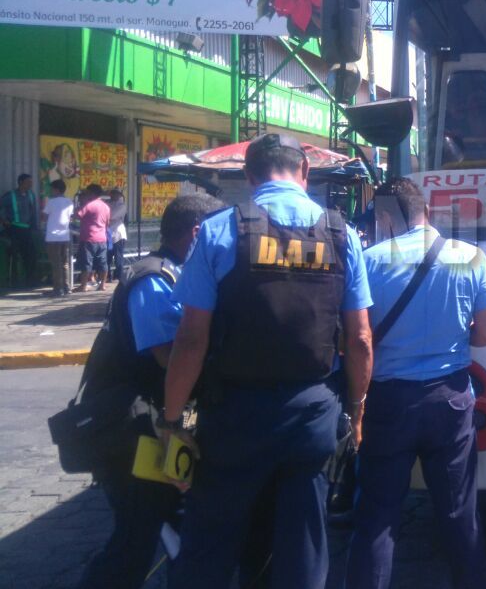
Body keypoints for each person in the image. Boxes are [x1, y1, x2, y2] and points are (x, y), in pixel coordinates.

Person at [160, 133, 373, 589]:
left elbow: (192, 339)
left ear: (249, 176)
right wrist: (357, 411)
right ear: (305, 172)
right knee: (303, 547)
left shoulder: (220, 230)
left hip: (236, 417)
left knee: (210, 544)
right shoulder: (342, 234)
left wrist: (172, 420)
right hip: (312, 414)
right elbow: (359, 339)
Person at [345, 177, 486, 589]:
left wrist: (356, 404)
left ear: (384, 218)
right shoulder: (470, 257)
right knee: (459, 516)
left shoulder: (369, 260)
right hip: (450, 402)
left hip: (388, 403)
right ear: (425, 211)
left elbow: (358, 338)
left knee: (377, 520)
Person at [76, 193, 226, 589]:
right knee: (137, 534)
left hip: (152, 423)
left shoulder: (180, 273)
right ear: (197, 233)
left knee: (173, 518)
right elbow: (167, 355)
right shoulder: (155, 278)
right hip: (130, 430)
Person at [1, 173, 39, 288]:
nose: (31, 184)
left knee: (30, 255)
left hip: (27, 230)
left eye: (31, 182)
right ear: (21, 182)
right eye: (28, 182)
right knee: (14, 255)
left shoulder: (31, 195)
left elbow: (33, 212)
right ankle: (14, 281)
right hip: (14, 229)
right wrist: (4, 220)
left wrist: (34, 227)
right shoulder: (10, 195)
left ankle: (30, 280)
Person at [43, 180, 75, 297]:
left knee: (56, 264)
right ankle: (66, 287)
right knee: (65, 263)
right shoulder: (69, 202)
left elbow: (44, 217)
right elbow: (70, 217)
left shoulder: (51, 202)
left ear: (56, 189)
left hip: (52, 237)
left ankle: (58, 289)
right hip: (64, 236)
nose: (51, 191)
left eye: (52, 189)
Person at [77, 184, 111, 292]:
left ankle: (83, 286)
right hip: (102, 238)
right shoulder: (106, 206)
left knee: (86, 262)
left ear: (91, 193)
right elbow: (107, 223)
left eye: (87, 193)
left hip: (88, 237)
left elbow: (78, 215)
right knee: (103, 262)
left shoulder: (89, 204)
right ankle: (102, 285)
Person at [108, 188, 129, 281]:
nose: (114, 195)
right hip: (108, 233)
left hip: (118, 234)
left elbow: (112, 216)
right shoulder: (108, 203)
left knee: (118, 257)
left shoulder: (122, 205)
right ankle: (107, 276)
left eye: (116, 194)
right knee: (107, 256)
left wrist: (106, 217)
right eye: (112, 193)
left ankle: (118, 276)